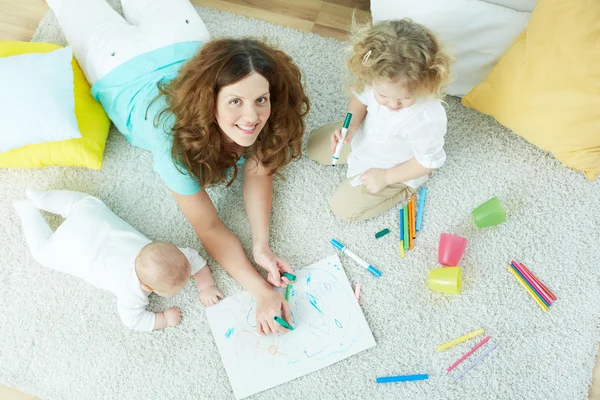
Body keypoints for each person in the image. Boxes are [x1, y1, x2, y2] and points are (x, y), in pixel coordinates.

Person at [46, 0, 309, 335]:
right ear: (209, 101)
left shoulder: (266, 116)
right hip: (117, 64)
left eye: (261, 99)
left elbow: (259, 169)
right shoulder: (174, 144)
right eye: (235, 102)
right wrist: (260, 291)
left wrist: (262, 245)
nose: (252, 117)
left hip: (181, 39)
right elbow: (210, 228)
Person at [13, 187, 223, 332]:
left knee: (84, 203)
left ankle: (42, 198)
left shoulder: (159, 253)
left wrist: (206, 286)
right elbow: (132, 320)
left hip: (90, 220)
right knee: (42, 252)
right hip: (73, 248)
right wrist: (164, 319)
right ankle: (28, 212)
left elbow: (192, 259)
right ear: (148, 286)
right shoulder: (133, 293)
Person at [307, 19, 451, 221]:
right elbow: (360, 99)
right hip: (365, 138)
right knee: (313, 145)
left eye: (404, 99)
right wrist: (351, 127)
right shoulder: (376, 76)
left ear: (426, 81)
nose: (392, 105)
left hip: (394, 166)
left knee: (343, 210)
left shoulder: (428, 118)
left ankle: (403, 189)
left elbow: (428, 162)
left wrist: (386, 177)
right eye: (383, 95)